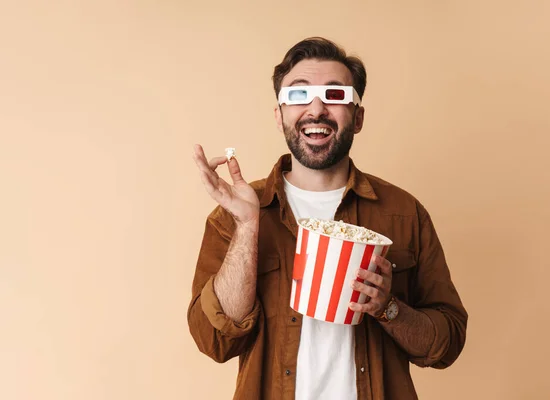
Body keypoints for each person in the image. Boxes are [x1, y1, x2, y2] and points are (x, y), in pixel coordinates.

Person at [188, 37, 468, 400]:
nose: (316, 109)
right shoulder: (236, 213)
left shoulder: (404, 213)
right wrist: (247, 226)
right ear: (279, 116)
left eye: (335, 95)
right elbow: (213, 341)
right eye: (298, 95)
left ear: (359, 117)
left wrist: (388, 308)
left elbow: (447, 344)